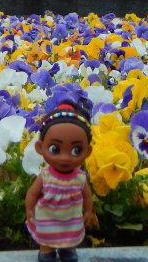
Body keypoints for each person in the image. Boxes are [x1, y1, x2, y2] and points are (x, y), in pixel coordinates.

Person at [26, 101, 96, 262]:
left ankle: (67, 250)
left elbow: (87, 196)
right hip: (47, 217)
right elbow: (32, 194)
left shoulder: (79, 177)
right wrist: (30, 209)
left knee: (69, 236)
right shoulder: (45, 175)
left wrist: (88, 211)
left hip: (71, 218)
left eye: (76, 150)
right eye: (55, 149)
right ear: (39, 147)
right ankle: (46, 250)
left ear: (88, 151)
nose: (65, 157)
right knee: (47, 236)